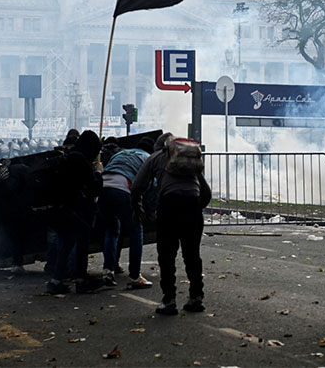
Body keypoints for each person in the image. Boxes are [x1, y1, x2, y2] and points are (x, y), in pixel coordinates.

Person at [131, 133, 211, 315]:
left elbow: (137, 187)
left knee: (166, 256)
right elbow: (206, 192)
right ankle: (196, 297)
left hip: (169, 205)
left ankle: (169, 300)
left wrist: (137, 208)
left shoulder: (156, 157)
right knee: (192, 254)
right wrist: (197, 208)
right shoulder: (188, 160)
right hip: (192, 205)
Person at [45, 130, 104, 295]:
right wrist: (98, 172)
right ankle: (80, 280)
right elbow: (94, 189)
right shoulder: (80, 160)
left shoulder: (69, 156)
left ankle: (56, 280)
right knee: (81, 237)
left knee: (66, 243)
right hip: (71, 209)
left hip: (58, 208)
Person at [99, 137, 155, 289]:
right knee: (136, 231)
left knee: (111, 231)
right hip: (123, 189)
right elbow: (150, 186)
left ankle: (108, 270)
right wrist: (151, 209)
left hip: (103, 188)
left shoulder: (120, 154)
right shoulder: (147, 159)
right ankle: (135, 276)